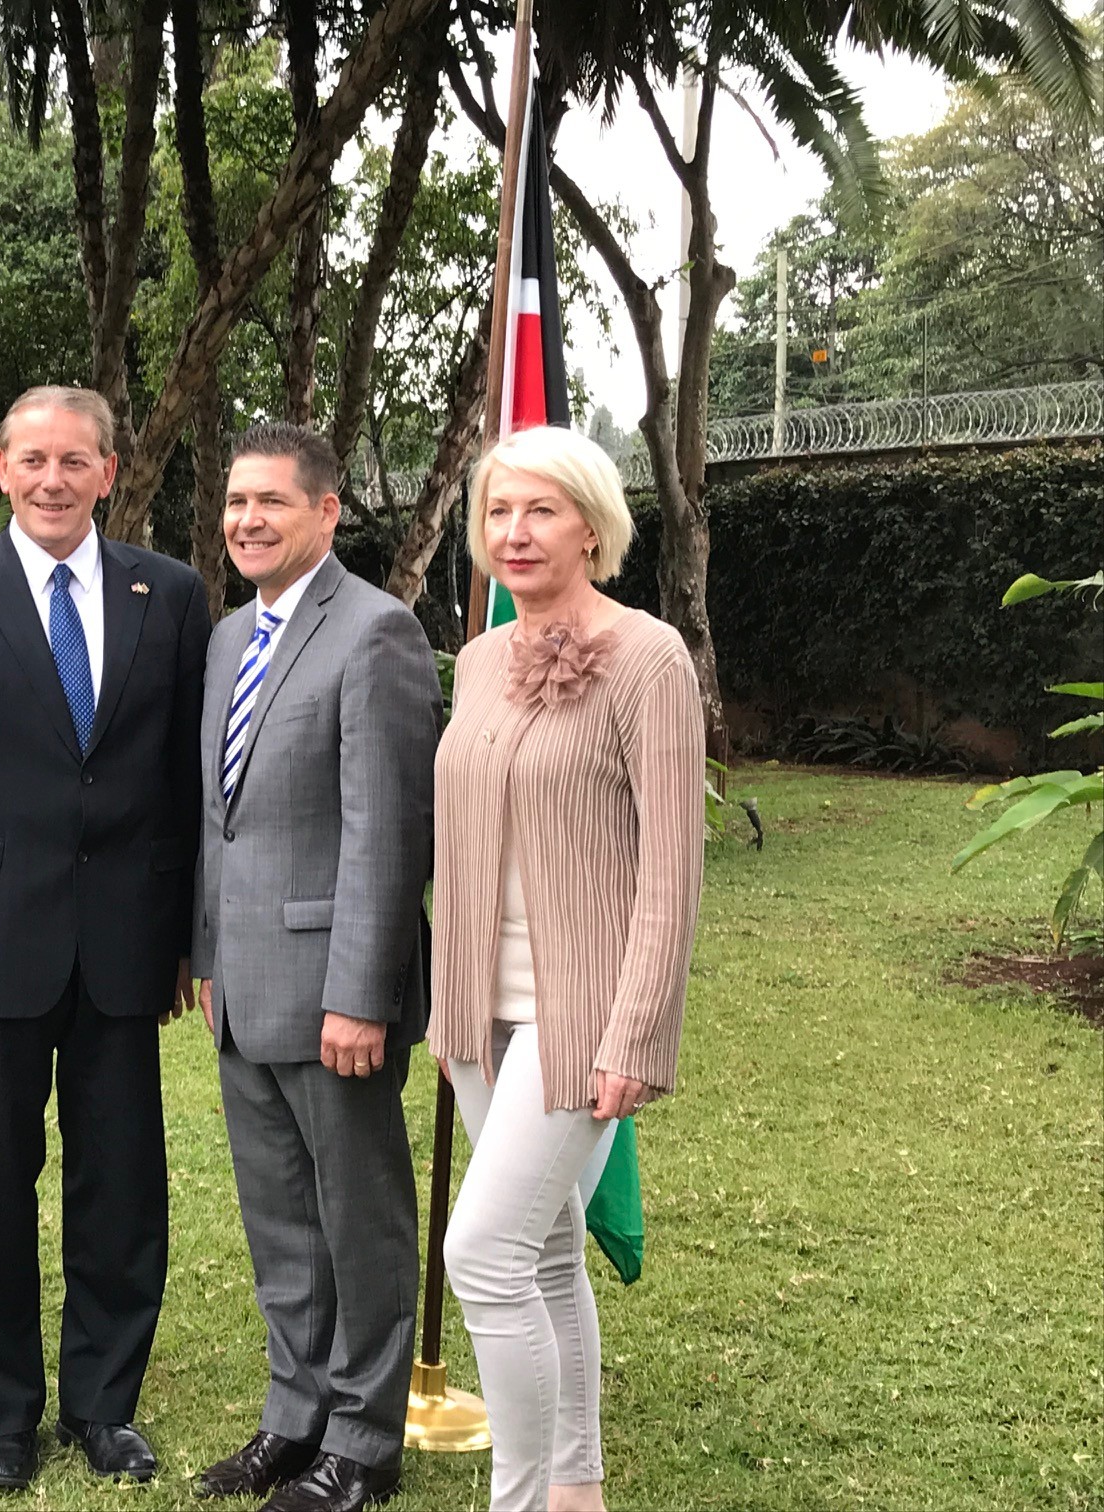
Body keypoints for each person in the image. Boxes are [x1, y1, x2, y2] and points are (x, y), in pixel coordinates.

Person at [0, 385, 211, 1492]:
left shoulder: (169, 594)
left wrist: (186, 937)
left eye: (75, 460)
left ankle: (105, 1406)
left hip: (126, 945)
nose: (52, 480)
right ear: (2, 470)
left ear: (109, 472)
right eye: (32, 459)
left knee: (122, 1187)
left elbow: (184, 785)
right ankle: (4, 1416)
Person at [429, 424, 703, 1512]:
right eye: (498, 511)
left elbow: (672, 872)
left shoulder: (649, 657)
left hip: (580, 1014)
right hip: (475, 1008)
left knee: (483, 1255)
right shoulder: (479, 660)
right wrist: (445, 1001)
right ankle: (576, 1489)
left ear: (592, 526)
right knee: (543, 1256)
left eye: (541, 510)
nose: (516, 531)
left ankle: (522, 1499)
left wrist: (634, 1034)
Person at [192, 423, 439, 1512]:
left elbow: (387, 829)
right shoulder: (227, 639)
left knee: (359, 1219)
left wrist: (360, 996)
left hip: (334, 994)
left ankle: (364, 1442)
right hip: (241, 989)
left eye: (271, 502)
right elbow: (222, 820)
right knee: (281, 1222)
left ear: (327, 512)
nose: (247, 520)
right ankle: (294, 1419)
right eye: (236, 502)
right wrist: (207, 955)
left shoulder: (377, 631)